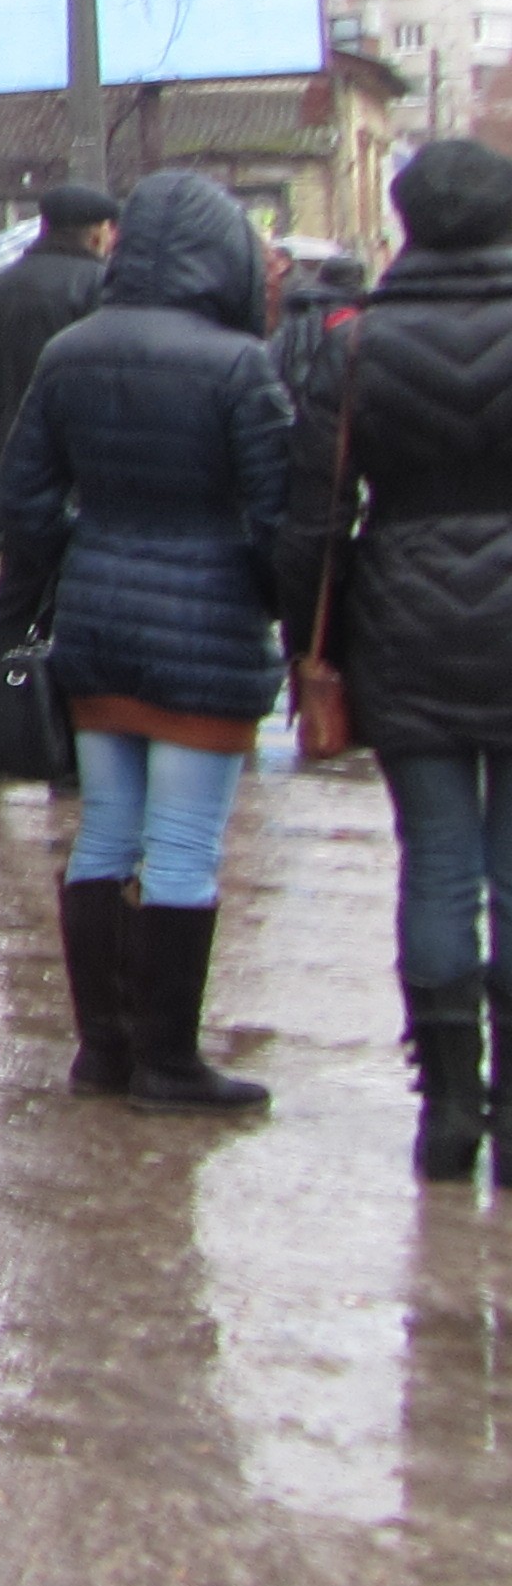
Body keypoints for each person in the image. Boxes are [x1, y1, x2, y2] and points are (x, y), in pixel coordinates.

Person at [0, 172, 293, 1115]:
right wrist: (268, 599)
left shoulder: (71, 352)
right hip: (208, 627)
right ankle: (170, 1063)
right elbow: (278, 518)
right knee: (184, 845)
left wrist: (78, 560)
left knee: (106, 830)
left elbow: (22, 500)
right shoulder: (240, 364)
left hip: (97, 620)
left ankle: (104, 1053)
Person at [274, 140, 512, 1181]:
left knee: (437, 863)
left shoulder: (356, 345)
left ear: (406, 221)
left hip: (405, 620)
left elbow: (313, 522)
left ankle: (447, 1111)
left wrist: (307, 645)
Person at [0, 184, 121, 771]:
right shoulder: (100, 288)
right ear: (97, 231)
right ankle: (65, 740)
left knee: (13, 598)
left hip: (15, 464)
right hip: (79, 468)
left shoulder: (4, 288)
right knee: (82, 605)